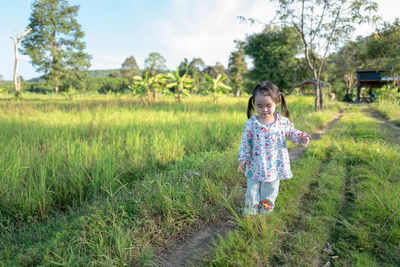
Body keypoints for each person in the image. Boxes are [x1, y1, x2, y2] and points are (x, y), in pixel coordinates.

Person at [237, 81, 310, 215]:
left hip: (273, 167)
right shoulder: (251, 123)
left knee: (270, 193)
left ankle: (265, 215)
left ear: (276, 103)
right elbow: (245, 143)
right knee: (252, 192)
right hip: (254, 165)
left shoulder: (282, 122)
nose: (264, 109)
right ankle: (250, 215)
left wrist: (301, 137)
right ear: (254, 104)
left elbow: (292, 132)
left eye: (268, 105)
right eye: (259, 106)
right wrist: (243, 159)